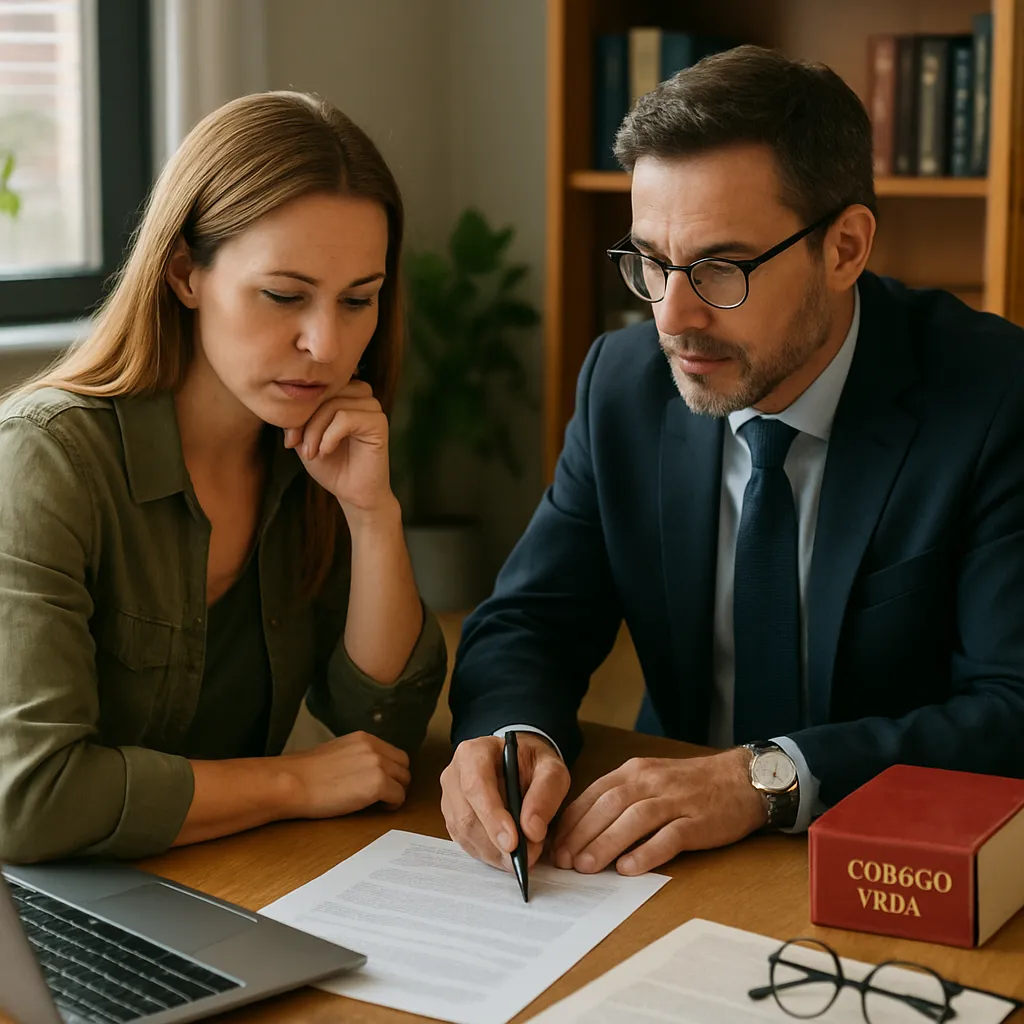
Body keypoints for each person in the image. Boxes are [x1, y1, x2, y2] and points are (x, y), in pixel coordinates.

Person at [442, 45, 1024, 878]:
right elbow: (529, 620)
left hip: (893, 862)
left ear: (846, 248)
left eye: (720, 267)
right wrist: (511, 737)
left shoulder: (995, 395)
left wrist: (763, 782)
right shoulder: (625, 382)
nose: (672, 316)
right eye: (650, 259)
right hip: (659, 860)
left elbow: (1011, 709)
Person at [0, 92, 447, 865]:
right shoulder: (45, 462)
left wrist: (371, 515)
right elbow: (30, 798)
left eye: (359, 301)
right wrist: (289, 785)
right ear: (184, 274)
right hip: (57, 907)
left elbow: (379, 736)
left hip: (218, 873)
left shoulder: (318, 445)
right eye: (284, 295)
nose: (325, 343)